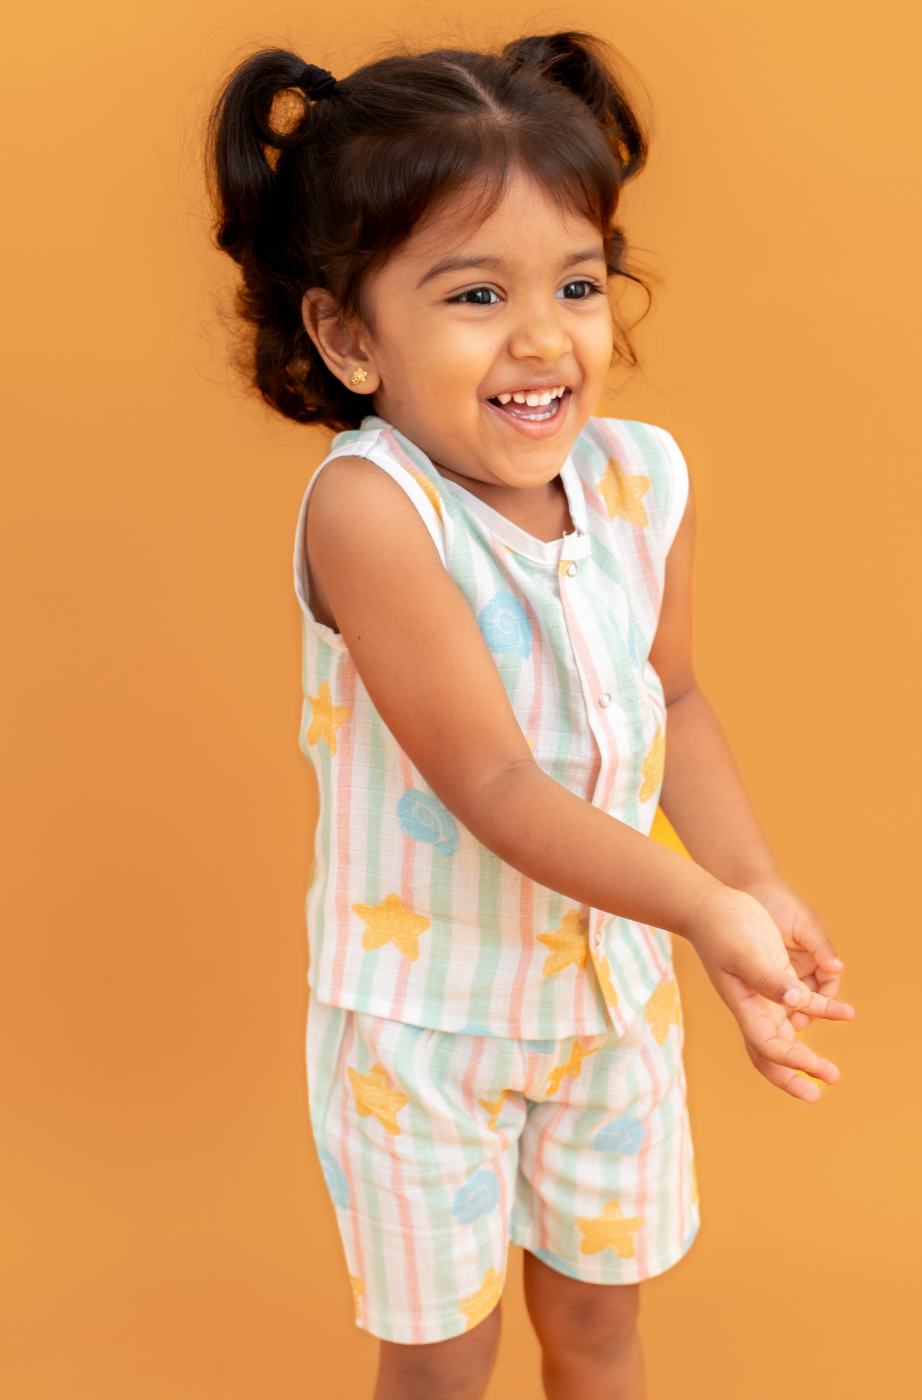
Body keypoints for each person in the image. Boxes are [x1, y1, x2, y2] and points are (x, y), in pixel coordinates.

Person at [208, 32, 854, 1400]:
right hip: (424, 1031)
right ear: (348, 336)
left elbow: (675, 695)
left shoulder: (642, 483)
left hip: (608, 1010)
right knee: (446, 1357)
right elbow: (494, 781)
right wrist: (701, 907)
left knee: (599, 1327)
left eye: (575, 282)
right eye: (476, 294)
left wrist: (751, 885)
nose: (545, 337)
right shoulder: (375, 510)